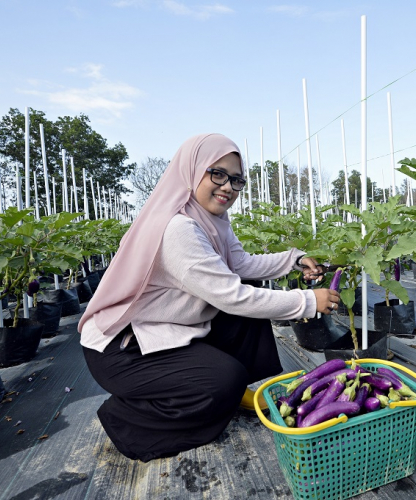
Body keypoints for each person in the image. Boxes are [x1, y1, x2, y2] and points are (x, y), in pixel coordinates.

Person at [78, 133, 340, 462]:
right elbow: (232, 297)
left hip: (163, 331)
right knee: (222, 380)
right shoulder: (178, 229)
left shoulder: (212, 221)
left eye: (236, 179)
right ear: (191, 171)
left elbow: (242, 266)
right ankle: (127, 418)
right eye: (217, 174)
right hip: (124, 350)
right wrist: (308, 301)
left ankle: (232, 393)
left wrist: (295, 259)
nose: (227, 186)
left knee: (245, 310)